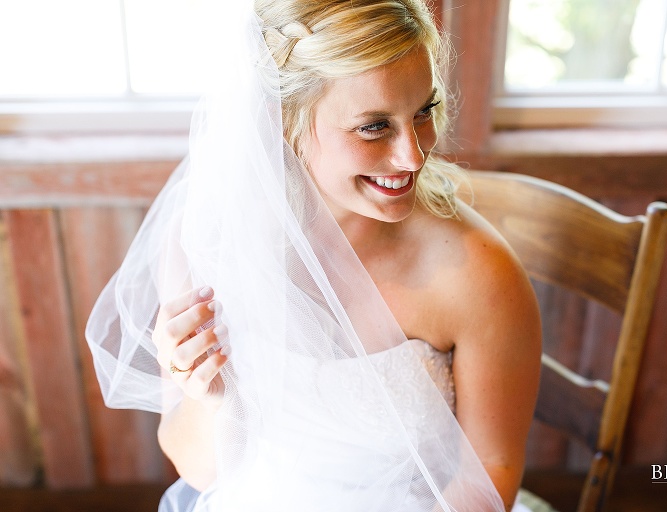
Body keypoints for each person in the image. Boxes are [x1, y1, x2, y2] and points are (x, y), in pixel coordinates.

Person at [87, 1, 541, 511]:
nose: (413, 155)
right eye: (374, 126)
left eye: (423, 111)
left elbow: (491, 472)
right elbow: (197, 469)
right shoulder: (210, 244)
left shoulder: (477, 274)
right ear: (284, 122)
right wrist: (211, 396)